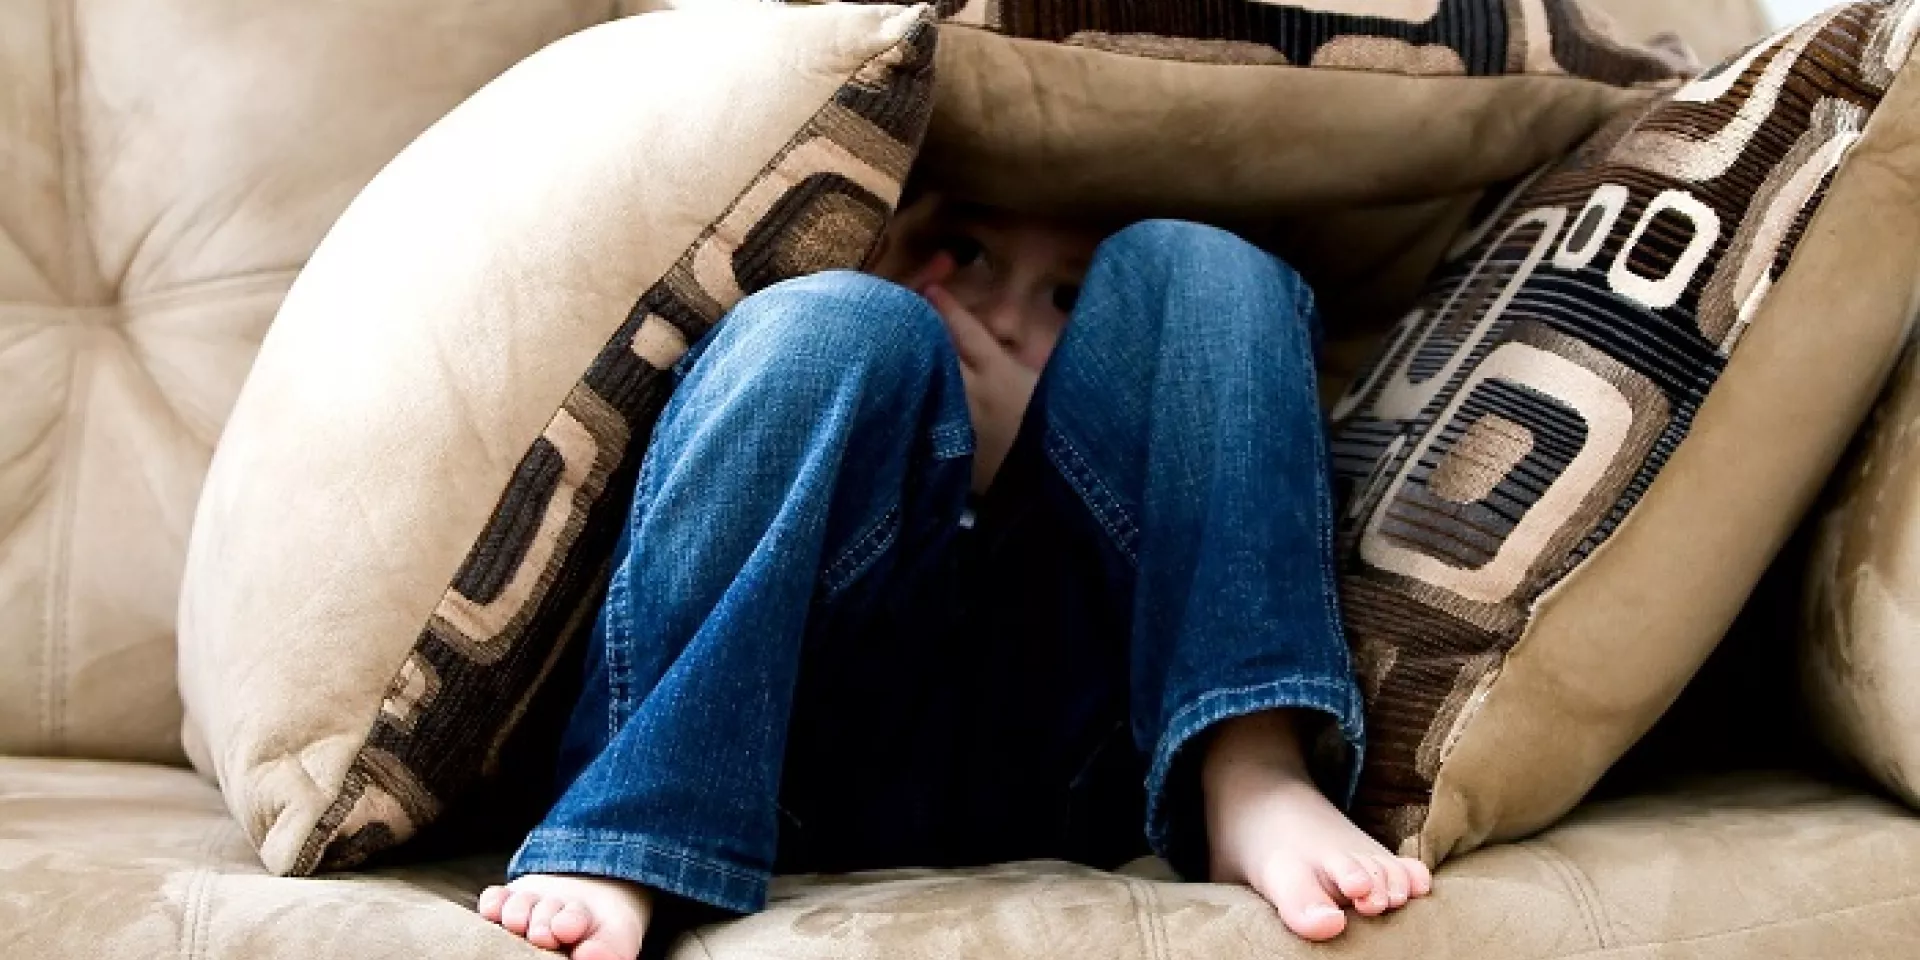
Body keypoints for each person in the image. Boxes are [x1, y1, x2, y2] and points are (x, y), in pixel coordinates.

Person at [477, 196, 1432, 960]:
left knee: (1201, 262)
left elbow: (1160, 403)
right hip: (794, 741)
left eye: (1069, 298)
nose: (1008, 316)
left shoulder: (1128, 385)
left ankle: (1249, 760)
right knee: (827, 324)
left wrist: (1030, 444)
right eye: (968, 254)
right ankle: (636, 831)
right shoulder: (877, 340)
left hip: (1078, 747)